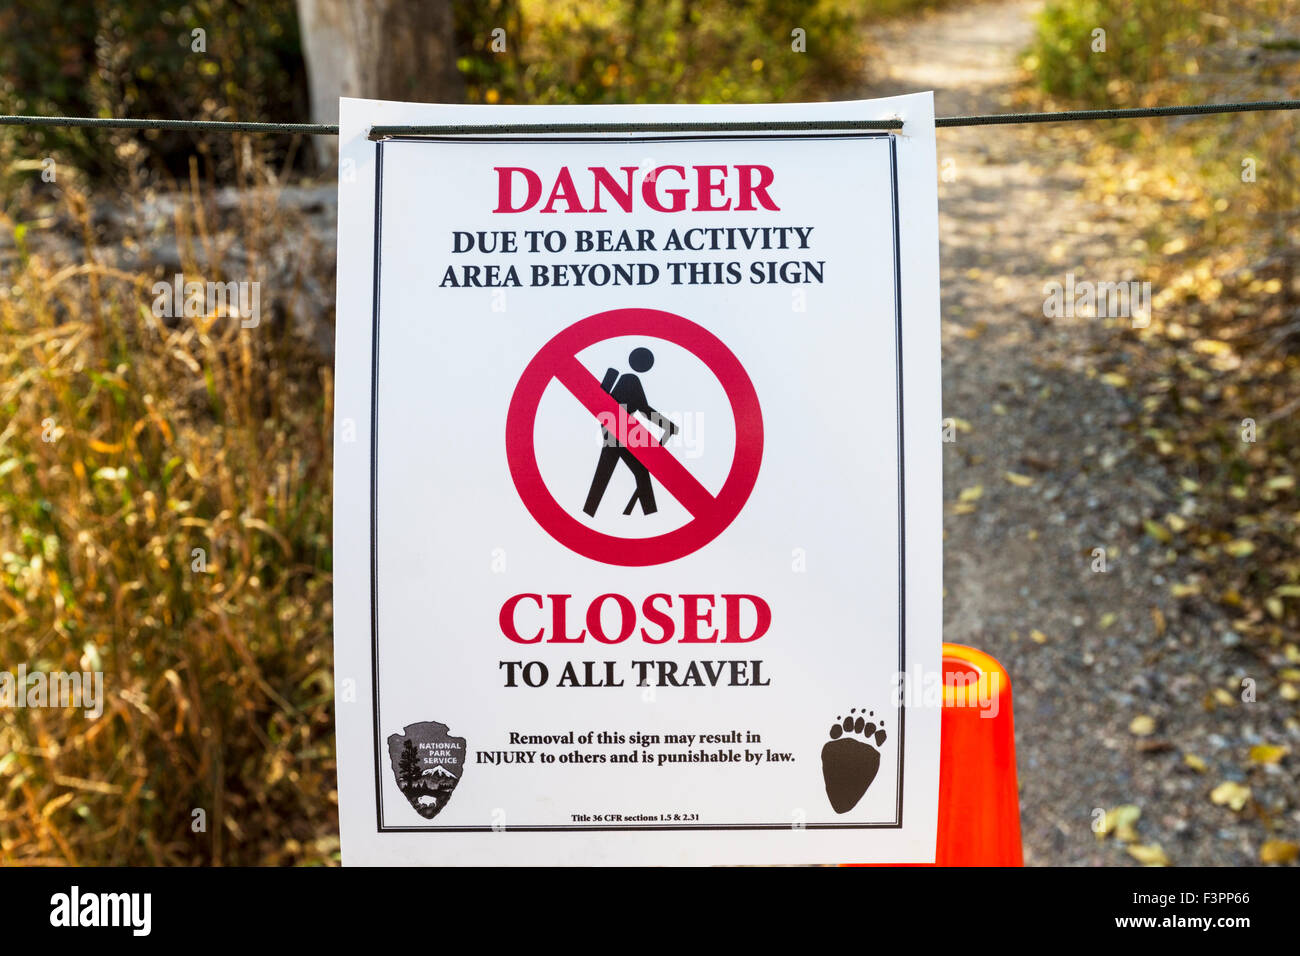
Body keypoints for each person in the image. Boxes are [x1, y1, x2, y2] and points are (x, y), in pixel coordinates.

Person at [583, 347, 679, 516]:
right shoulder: (631, 382)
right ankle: (650, 515)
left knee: (624, 472)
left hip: (618, 433)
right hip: (618, 434)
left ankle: (649, 516)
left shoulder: (624, 383)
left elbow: (642, 409)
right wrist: (667, 425)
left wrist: (667, 425)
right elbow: (644, 409)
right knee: (620, 472)